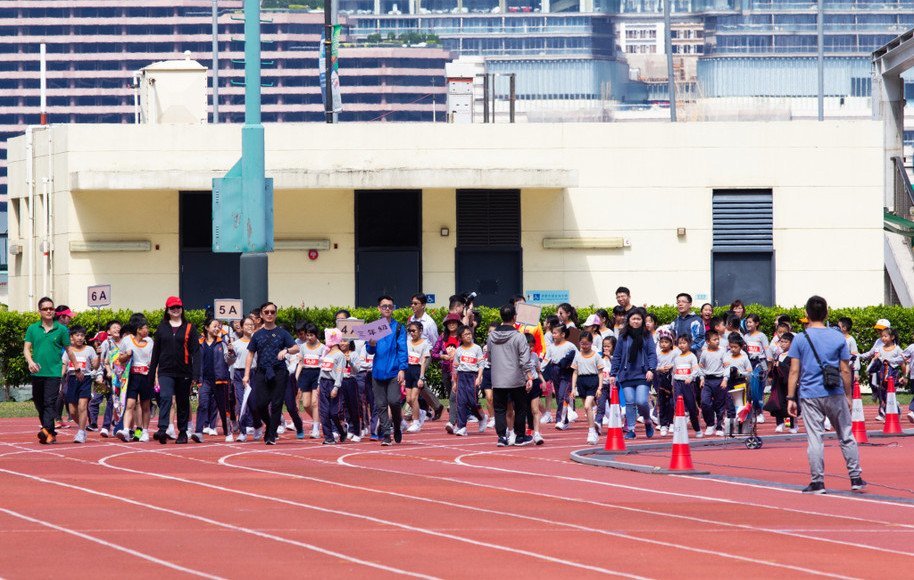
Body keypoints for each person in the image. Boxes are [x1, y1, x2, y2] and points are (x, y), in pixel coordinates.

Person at [787, 295, 865, 494]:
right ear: (827, 313)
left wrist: (790, 398)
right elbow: (846, 370)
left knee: (815, 438)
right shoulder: (838, 337)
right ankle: (855, 478)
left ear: (806, 314)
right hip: (834, 391)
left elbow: (794, 371)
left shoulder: (799, 338)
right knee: (846, 435)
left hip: (809, 393)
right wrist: (848, 395)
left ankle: (818, 481)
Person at [243, 301, 299, 445]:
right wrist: (246, 374)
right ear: (261, 314)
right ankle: (269, 425)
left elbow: (296, 348)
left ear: (276, 314)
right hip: (261, 372)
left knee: (276, 404)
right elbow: (250, 354)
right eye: (266, 312)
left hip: (279, 372)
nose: (269, 314)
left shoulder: (282, 333)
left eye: (272, 312)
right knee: (259, 405)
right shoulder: (257, 335)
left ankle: (271, 435)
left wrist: (286, 350)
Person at [150, 296, 200, 445]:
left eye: (178, 307)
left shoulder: (190, 328)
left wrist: (196, 374)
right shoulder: (162, 328)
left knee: (182, 401)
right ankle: (162, 428)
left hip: (184, 371)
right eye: (172, 308)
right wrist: (152, 373)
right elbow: (156, 353)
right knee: (165, 397)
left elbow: (196, 352)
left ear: (182, 309)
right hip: (165, 371)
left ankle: (183, 432)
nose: (176, 310)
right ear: (167, 310)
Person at [486, 304, 535, 447]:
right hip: (516, 378)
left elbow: (489, 357)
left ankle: (502, 437)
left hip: (498, 378)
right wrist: (529, 376)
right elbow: (524, 359)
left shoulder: (491, 337)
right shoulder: (519, 337)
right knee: (520, 408)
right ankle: (519, 437)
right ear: (514, 317)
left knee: (499, 409)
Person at [365, 295, 408, 446]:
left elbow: (403, 349)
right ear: (379, 308)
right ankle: (386, 434)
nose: (387, 309)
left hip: (394, 371)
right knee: (381, 405)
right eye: (384, 306)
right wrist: (371, 344)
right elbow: (369, 351)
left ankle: (397, 424)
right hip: (377, 372)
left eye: (390, 306)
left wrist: (402, 369)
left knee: (394, 401)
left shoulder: (398, 327)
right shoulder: (374, 327)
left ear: (393, 308)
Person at [610, 308, 657, 439]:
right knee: (630, 402)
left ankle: (647, 421)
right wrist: (613, 373)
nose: (636, 321)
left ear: (642, 321)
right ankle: (631, 429)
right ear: (628, 320)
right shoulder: (623, 336)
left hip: (643, 373)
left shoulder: (647, 336)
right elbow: (617, 356)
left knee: (641, 401)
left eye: (638, 319)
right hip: (626, 374)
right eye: (633, 319)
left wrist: (651, 369)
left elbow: (652, 354)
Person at [191, 318, 234, 443]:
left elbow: (230, 361)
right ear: (206, 327)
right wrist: (195, 377)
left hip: (220, 381)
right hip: (205, 380)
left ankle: (228, 432)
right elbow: (195, 361)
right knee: (203, 404)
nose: (217, 328)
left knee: (223, 407)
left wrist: (231, 352)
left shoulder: (223, 343)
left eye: (218, 326)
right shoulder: (199, 344)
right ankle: (199, 432)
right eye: (214, 326)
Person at [116, 313, 155, 442]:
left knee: (145, 405)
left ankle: (144, 431)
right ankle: (126, 430)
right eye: (144, 327)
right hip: (132, 377)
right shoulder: (127, 340)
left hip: (146, 377)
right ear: (138, 329)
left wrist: (154, 376)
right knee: (130, 404)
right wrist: (126, 355)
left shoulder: (150, 342)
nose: (147, 330)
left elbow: (153, 360)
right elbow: (119, 359)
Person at [408, 293, 445, 421]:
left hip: (424, 354)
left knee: (418, 380)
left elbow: (434, 342)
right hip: (411, 354)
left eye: (416, 303)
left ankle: (414, 410)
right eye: (412, 303)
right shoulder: (411, 319)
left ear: (423, 305)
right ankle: (436, 406)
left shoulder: (429, 323)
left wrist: (431, 355)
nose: (412, 306)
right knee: (417, 382)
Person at [61, 325, 99, 444]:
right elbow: (64, 365)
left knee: (82, 407)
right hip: (71, 379)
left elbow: (96, 366)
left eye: (82, 335)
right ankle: (82, 427)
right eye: (77, 335)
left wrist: (99, 355)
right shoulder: (68, 350)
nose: (80, 338)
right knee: (72, 411)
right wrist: (59, 377)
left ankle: (81, 432)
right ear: (71, 337)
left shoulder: (89, 349)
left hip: (85, 379)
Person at [451, 325, 486, 437]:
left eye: (469, 333)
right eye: (465, 334)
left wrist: (479, 377)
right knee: (461, 402)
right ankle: (462, 427)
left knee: (472, 402)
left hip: (473, 376)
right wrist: (455, 382)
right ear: (460, 337)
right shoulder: (458, 350)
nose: (468, 336)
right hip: (461, 377)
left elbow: (481, 364)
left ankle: (481, 418)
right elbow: (455, 368)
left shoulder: (477, 348)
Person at [571, 331, 605, 445]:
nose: (584, 346)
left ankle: (591, 432)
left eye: (587, 344)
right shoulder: (577, 356)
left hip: (592, 380)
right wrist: (572, 388)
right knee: (588, 409)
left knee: (586, 406)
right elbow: (575, 372)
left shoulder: (596, 355)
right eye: (582, 344)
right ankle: (593, 428)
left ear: (591, 343)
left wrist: (600, 387)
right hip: (581, 381)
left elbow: (600, 372)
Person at [88, 321, 120, 437]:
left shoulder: (119, 343)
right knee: (96, 400)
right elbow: (102, 362)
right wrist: (100, 375)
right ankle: (94, 423)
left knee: (112, 401)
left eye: (118, 327)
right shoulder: (106, 344)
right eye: (114, 327)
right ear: (109, 331)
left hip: (117, 377)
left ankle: (108, 425)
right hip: (105, 377)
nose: (96, 344)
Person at [318, 328, 348, 444]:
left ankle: (341, 430)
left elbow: (340, 372)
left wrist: (336, 387)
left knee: (334, 413)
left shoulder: (340, 355)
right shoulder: (326, 352)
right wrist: (319, 384)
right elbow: (322, 370)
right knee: (324, 412)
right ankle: (328, 437)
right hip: (324, 383)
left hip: (333, 383)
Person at [296, 322, 325, 439]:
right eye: (307, 335)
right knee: (306, 404)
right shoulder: (303, 347)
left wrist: (320, 381)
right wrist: (297, 377)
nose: (309, 337)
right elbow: (301, 362)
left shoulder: (323, 347)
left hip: (317, 374)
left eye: (311, 335)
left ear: (316, 335)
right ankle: (320, 420)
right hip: (306, 375)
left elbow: (323, 365)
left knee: (315, 402)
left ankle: (316, 428)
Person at [230, 316, 257, 442]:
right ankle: (243, 431)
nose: (249, 327)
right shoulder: (235, 344)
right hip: (239, 374)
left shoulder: (257, 342)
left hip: (254, 373)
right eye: (247, 324)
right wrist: (229, 353)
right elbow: (229, 361)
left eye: (251, 324)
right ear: (241, 327)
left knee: (254, 403)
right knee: (241, 403)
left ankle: (256, 426)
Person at [547, 324, 578, 430]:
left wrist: (571, 365)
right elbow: (547, 359)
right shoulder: (551, 347)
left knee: (562, 396)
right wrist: (540, 371)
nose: (553, 335)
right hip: (554, 370)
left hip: (566, 372)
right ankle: (563, 418)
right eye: (553, 333)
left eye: (555, 333)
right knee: (558, 397)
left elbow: (577, 358)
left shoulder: (570, 346)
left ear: (563, 334)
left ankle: (561, 420)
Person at [672, 334, 702, 438]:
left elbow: (696, 369)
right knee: (678, 405)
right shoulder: (676, 358)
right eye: (680, 343)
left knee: (691, 407)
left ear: (689, 344)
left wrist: (690, 377)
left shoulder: (692, 356)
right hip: (678, 383)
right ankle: (679, 429)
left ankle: (697, 429)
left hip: (688, 384)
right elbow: (674, 371)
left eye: (684, 343)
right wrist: (673, 383)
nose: (682, 345)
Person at [699, 329, 727, 436]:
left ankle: (719, 426)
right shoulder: (704, 352)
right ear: (708, 341)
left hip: (719, 380)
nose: (717, 341)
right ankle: (710, 424)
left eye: (718, 339)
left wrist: (725, 379)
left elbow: (726, 366)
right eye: (714, 339)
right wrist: (701, 378)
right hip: (708, 381)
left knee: (720, 404)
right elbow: (701, 366)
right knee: (705, 402)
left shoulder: (722, 351)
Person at [405, 321, 431, 433]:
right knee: (408, 399)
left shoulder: (425, 344)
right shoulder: (407, 342)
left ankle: (416, 422)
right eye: (410, 331)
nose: (412, 333)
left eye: (414, 331)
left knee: (414, 398)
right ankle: (420, 412)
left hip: (417, 371)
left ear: (420, 331)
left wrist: (421, 377)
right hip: (408, 371)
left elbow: (423, 362)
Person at [653, 329, 676, 437]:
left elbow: (678, 363)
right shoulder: (658, 354)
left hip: (672, 380)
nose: (664, 344)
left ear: (671, 343)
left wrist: (671, 366)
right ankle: (663, 424)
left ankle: (671, 422)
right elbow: (654, 367)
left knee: (671, 403)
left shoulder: (675, 353)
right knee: (662, 403)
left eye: (666, 342)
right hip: (661, 379)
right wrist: (660, 368)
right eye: (662, 342)